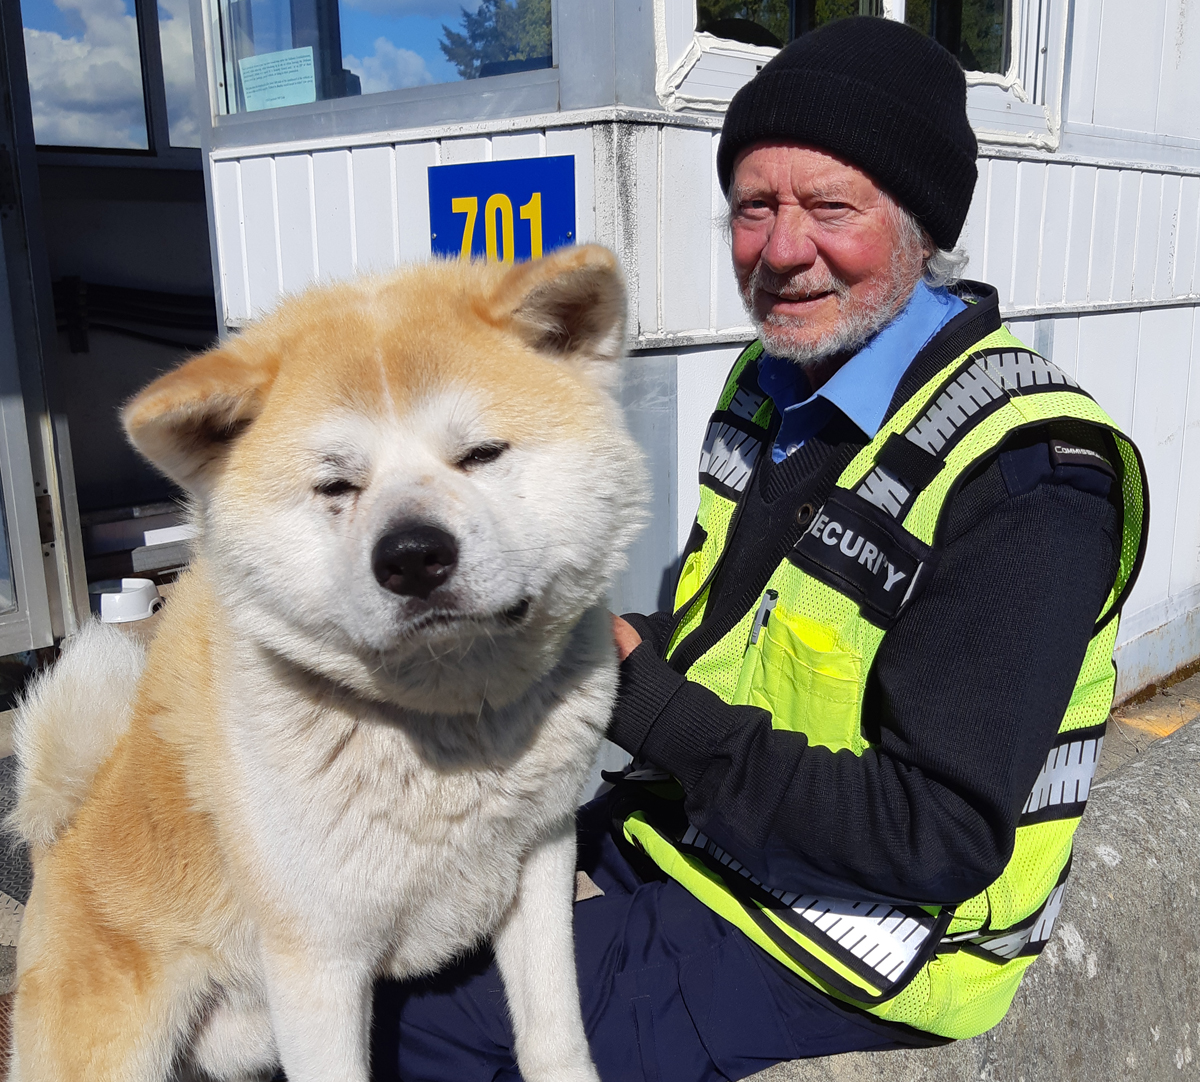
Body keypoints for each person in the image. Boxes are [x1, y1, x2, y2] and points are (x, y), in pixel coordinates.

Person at [374, 16, 1148, 1081]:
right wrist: (552, 637)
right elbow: (723, 646)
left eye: (831, 206)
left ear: (923, 228)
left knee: (417, 1016)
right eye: (754, 207)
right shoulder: (772, 389)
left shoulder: (1030, 471)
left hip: (870, 937)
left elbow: (937, 836)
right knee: (379, 917)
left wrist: (637, 695)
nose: (783, 250)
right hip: (713, 842)